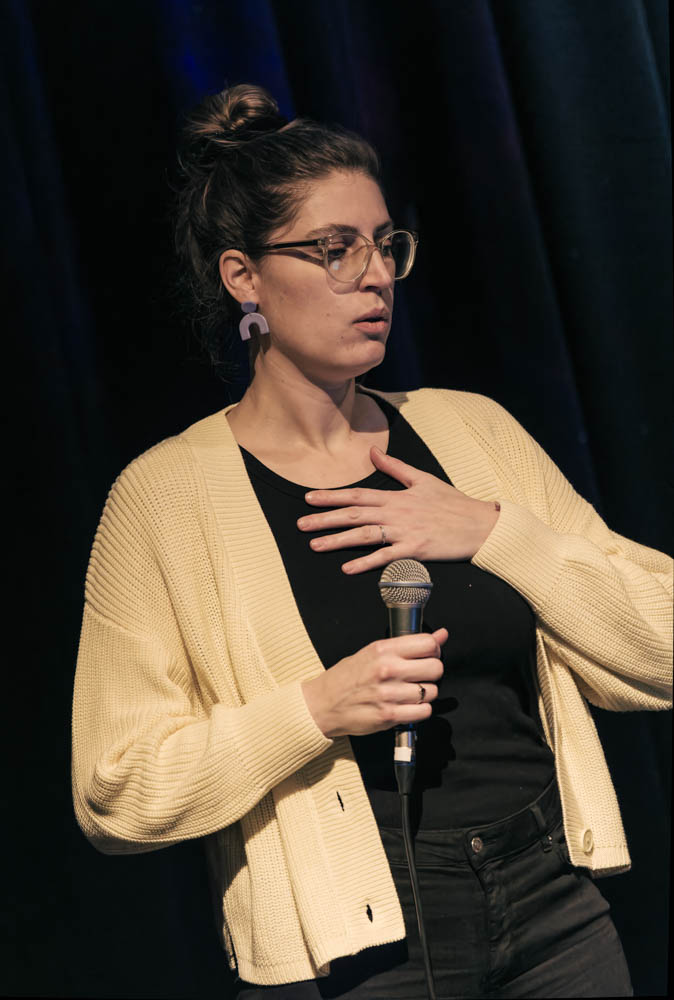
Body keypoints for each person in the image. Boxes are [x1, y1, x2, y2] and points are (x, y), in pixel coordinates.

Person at [71, 83, 672, 999]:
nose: (376, 275)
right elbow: (116, 791)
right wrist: (315, 708)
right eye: (333, 250)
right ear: (244, 277)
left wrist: (498, 533)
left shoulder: (472, 433)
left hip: (553, 904)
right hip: (358, 940)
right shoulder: (164, 499)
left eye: (385, 245)